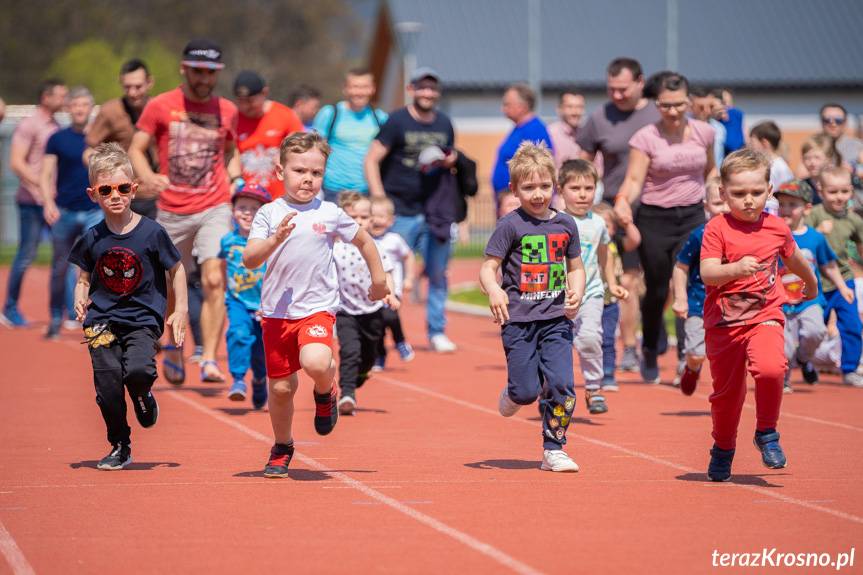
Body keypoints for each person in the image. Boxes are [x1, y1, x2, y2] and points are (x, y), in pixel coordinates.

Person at [243, 132, 389, 477]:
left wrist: (379, 278)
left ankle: (326, 392)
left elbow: (366, 241)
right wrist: (274, 239)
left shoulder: (330, 212)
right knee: (281, 389)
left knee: (316, 360)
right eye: (299, 171)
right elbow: (250, 259)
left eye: (316, 173)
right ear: (281, 172)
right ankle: (282, 445)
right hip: (277, 313)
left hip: (317, 308)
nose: (307, 179)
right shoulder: (268, 213)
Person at [700, 149, 818, 482]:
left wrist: (810, 283)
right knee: (727, 396)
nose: (748, 201)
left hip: (765, 314)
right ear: (723, 194)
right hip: (724, 323)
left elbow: (794, 260)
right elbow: (708, 272)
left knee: (771, 368)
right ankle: (723, 448)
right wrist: (735, 268)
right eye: (738, 194)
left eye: (756, 192)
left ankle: (767, 432)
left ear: (769, 190)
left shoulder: (777, 228)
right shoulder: (717, 228)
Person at [68, 142, 187, 470]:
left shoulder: (152, 232)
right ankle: (120, 443)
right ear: (94, 194)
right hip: (100, 321)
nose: (115, 195)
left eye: (122, 188)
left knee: (137, 371)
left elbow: (176, 269)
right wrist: (80, 298)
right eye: (106, 190)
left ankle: (141, 395)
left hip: (142, 319)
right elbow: (81, 275)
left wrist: (180, 310)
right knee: (106, 384)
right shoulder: (92, 237)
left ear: (133, 190)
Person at [129, 39, 241, 384]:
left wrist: (235, 179)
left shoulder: (227, 110)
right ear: (184, 69)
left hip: (214, 204)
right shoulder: (162, 105)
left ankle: (208, 357)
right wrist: (147, 177)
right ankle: (174, 344)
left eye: (210, 72)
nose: (204, 78)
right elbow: (136, 147)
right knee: (167, 284)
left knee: (212, 278)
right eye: (198, 71)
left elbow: (231, 150)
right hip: (172, 208)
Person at [480, 142, 585, 472]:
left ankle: (554, 448)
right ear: (514, 189)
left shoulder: (566, 224)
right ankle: (514, 393)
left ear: (555, 186)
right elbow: (487, 267)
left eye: (544, 186)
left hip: (556, 319)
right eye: (528, 187)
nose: (538, 194)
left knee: (562, 385)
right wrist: (495, 290)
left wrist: (577, 291)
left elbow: (576, 266)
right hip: (519, 320)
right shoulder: (509, 225)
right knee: (526, 391)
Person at [614, 72, 716, 383]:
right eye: (666, 105)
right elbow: (634, 179)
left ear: (689, 102)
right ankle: (649, 348)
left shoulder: (704, 133)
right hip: (655, 218)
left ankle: (686, 354)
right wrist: (621, 202)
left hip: (693, 217)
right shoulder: (646, 137)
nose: (673, 111)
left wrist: (715, 196)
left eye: (679, 104)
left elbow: (711, 170)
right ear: (657, 104)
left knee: (685, 284)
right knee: (658, 288)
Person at [364, 67, 458, 353]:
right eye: (422, 88)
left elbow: (452, 160)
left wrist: (450, 160)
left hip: (435, 211)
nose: (427, 93)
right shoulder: (396, 121)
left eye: (432, 88)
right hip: (400, 210)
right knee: (388, 269)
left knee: (438, 272)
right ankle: (381, 328)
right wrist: (380, 198)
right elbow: (371, 160)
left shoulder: (444, 123)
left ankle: (437, 331)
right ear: (411, 89)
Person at [577, 58, 660, 372]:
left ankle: (653, 330)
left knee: (659, 282)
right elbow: (581, 165)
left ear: (641, 81)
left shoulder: (656, 114)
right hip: (617, 208)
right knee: (626, 278)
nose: (617, 95)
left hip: (657, 207)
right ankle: (629, 347)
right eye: (611, 89)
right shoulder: (599, 117)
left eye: (623, 89)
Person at [559, 159, 628, 414]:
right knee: (557, 345)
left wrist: (612, 283)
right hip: (558, 296)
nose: (582, 194)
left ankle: (593, 387)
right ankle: (553, 388)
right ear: (561, 189)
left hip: (591, 292)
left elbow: (605, 254)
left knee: (589, 338)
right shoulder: (554, 221)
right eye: (575, 189)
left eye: (588, 188)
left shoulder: (598, 223)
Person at [774, 180, 853, 393]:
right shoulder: (772, 234)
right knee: (784, 345)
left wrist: (842, 286)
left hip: (809, 299)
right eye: (782, 204)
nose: (787, 209)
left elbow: (828, 265)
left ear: (807, 208)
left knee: (815, 332)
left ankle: (805, 358)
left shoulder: (815, 238)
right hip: (781, 301)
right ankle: (784, 378)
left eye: (793, 204)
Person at [1, 79, 67, 328]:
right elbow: (16, 163)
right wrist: (42, 187)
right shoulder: (29, 124)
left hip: (53, 201)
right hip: (31, 203)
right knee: (26, 255)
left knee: (65, 254)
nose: (65, 100)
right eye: (61, 95)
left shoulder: (57, 125)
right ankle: (9, 308)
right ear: (46, 97)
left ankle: (68, 312)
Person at [39, 87, 103, 339]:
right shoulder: (57, 138)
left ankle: (96, 318)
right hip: (64, 211)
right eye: (75, 104)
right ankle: (56, 317)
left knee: (96, 265)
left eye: (84, 105)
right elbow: (45, 175)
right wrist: (48, 203)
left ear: (91, 108)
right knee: (60, 268)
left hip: (93, 211)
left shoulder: (99, 139)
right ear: (68, 108)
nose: (79, 109)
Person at [333, 192, 398, 414]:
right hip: (345, 311)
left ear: (371, 220)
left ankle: (360, 375)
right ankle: (347, 394)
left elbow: (386, 272)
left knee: (369, 355)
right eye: (352, 217)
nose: (358, 222)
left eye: (363, 217)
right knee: (350, 351)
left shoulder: (375, 246)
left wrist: (391, 293)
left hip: (372, 310)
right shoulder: (335, 247)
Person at [805, 166, 863, 387]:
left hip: (843, 280)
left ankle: (849, 369)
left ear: (850, 191)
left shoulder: (854, 220)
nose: (839, 197)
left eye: (844, 191)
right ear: (820, 191)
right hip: (816, 282)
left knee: (852, 324)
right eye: (833, 192)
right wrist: (817, 232)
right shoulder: (815, 216)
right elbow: (801, 240)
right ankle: (806, 361)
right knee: (813, 329)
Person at [671, 179, 728, 395]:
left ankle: (726, 392)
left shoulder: (745, 235)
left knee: (725, 356)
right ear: (706, 206)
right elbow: (681, 266)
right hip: (699, 304)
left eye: (727, 202)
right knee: (696, 353)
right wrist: (680, 297)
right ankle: (692, 368)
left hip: (731, 307)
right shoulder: (700, 235)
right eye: (717, 204)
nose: (724, 209)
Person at [85, 59, 159, 219]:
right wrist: (103, 176)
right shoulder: (110, 111)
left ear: (150, 82)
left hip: (159, 196)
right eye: (127, 87)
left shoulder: (160, 108)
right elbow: (88, 152)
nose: (132, 92)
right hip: (123, 196)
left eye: (138, 86)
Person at [219, 184, 272, 408]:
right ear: (233, 210)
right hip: (238, 300)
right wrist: (225, 291)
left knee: (261, 351)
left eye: (254, 208)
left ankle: (259, 379)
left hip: (265, 304)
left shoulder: (270, 242)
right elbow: (223, 266)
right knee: (238, 334)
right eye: (242, 207)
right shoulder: (227, 241)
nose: (248, 213)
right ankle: (239, 379)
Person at [312, 68, 388, 201]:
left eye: (364, 87)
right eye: (355, 87)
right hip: (330, 190)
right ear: (345, 89)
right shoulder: (329, 113)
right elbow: (314, 151)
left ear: (372, 89)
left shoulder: (381, 118)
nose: (359, 92)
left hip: (364, 193)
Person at [592, 202, 640, 391]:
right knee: (590, 340)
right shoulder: (586, 244)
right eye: (599, 224)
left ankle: (609, 374)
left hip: (610, 301)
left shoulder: (616, 243)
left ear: (614, 228)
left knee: (608, 339)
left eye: (608, 225)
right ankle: (592, 371)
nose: (603, 229)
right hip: (589, 300)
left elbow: (635, 240)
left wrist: (627, 224)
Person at [234, 70, 303, 200]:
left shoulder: (285, 116)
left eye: (250, 101)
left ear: (264, 93)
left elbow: (301, 151)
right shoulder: (233, 119)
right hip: (247, 200)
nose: (245, 106)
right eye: (240, 101)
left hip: (280, 198)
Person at [370, 196, 417, 370]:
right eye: (372, 216)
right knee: (377, 325)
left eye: (381, 216)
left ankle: (400, 341)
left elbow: (409, 256)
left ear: (390, 221)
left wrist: (409, 278)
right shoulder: (364, 239)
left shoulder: (394, 239)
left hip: (392, 288)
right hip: (372, 291)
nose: (376, 220)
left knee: (389, 315)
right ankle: (379, 355)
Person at [491, 83, 554, 198]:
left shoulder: (534, 130)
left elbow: (541, 168)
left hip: (522, 201)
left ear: (522, 106)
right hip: (508, 200)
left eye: (507, 104)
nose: (503, 109)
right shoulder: (518, 129)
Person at [748, 121, 794, 192]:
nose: (750, 146)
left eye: (752, 142)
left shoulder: (780, 168)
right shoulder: (763, 165)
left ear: (764, 143)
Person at [689, 86, 726, 168]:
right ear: (690, 108)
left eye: (711, 106)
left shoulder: (719, 128)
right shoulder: (685, 129)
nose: (707, 111)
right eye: (701, 107)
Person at [548, 90, 585, 167]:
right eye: (570, 107)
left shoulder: (588, 134)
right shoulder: (550, 135)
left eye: (579, 107)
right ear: (559, 109)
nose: (575, 112)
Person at [800, 133, 841, 205]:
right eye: (807, 158)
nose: (812, 162)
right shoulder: (801, 186)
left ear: (828, 159)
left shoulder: (838, 183)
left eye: (817, 157)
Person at [819, 103, 863, 167]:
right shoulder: (814, 145)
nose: (833, 124)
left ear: (845, 122)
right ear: (821, 122)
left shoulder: (858, 146)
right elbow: (801, 173)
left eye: (838, 120)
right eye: (827, 120)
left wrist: (853, 170)